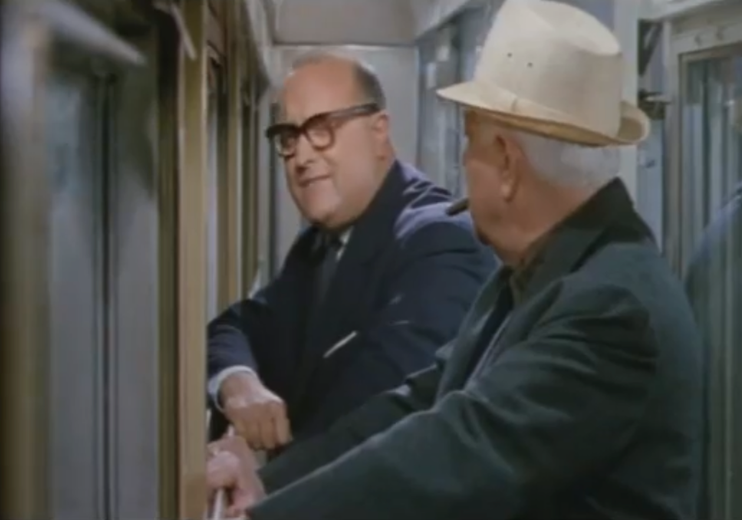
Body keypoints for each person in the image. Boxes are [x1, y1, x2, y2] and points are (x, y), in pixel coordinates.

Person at [204, 1, 704, 519]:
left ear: (506, 163)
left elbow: (456, 450)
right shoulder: (533, 272)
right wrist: (269, 485)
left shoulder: (611, 308)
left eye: (469, 142)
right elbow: (420, 401)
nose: (462, 164)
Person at [206, 50, 497, 451]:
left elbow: (378, 430)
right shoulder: (319, 241)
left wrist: (256, 482)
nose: (301, 157)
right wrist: (238, 382)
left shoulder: (440, 244)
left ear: (379, 131)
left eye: (322, 128)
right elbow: (237, 325)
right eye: (289, 137)